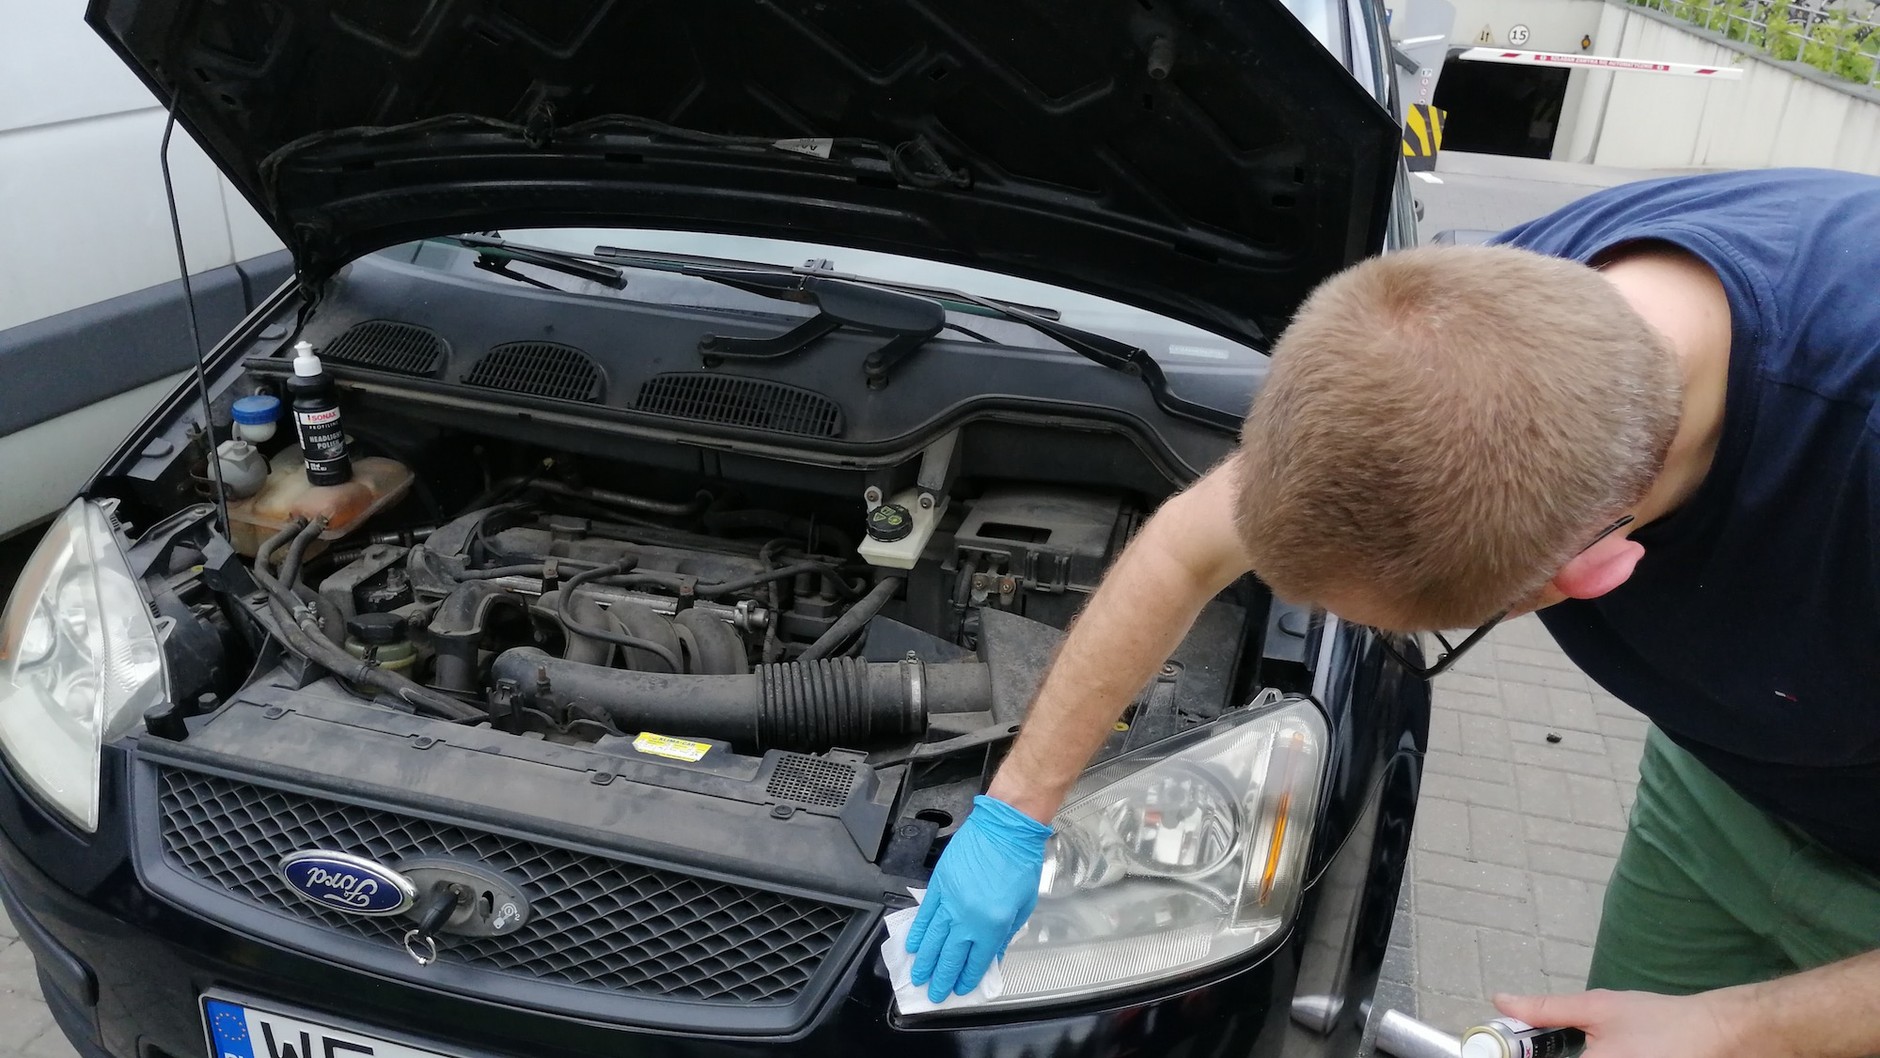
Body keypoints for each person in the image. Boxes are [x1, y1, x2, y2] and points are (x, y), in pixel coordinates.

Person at [904, 166, 1880, 1058]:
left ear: (1590, 567)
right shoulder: (1476, 333)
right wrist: (1018, 804)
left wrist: (1726, 1027)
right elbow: (1180, 544)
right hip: (1720, 792)